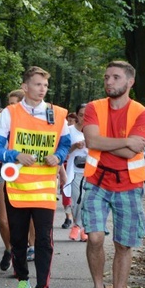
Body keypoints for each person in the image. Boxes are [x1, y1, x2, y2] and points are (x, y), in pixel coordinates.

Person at [0, 66, 70, 288]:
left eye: (45, 85)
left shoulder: (57, 114)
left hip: (45, 187)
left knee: (44, 239)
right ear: (25, 87)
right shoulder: (10, 113)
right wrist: (15, 155)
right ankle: (22, 280)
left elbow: (65, 143)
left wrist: (59, 156)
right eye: (37, 84)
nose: (42, 89)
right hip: (17, 187)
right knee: (18, 238)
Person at [82, 60, 145, 288]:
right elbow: (92, 141)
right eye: (106, 77)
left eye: (115, 77)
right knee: (95, 237)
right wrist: (126, 143)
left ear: (130, 82)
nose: (109, 81)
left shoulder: (142, 113)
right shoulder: (94, 108)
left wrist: (105, 144)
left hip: (129, 186)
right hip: (97, 182)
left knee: (123, 245)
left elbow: (130, 150)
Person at [0, 89, 24, 271]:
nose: (9, 107)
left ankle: (24, 251)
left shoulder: (31, 123)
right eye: (8, 103)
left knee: (25, 221)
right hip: (5, 171)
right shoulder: (2, 122)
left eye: (14, 103)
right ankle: (9, 249)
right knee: (3, 220)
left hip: (27, 175)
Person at [66, 103, 89, 242]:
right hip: (74, 170)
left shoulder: (94, 131)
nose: (84, 118)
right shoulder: (69, 131)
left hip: (91, 171)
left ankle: (81, 227)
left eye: (87, 115)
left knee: (87, 200)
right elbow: (63, 151)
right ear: (76, 115)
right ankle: (77, 224)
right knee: (77, 199)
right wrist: (75, 146)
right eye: (81, 115)